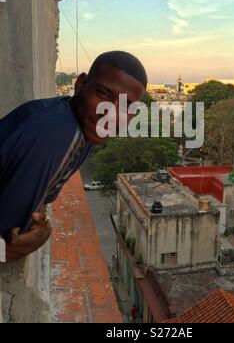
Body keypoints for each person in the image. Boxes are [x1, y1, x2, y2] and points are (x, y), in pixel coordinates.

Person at [0, 51, 147, 262]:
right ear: (80, 85)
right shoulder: (57, 134)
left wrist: (44, 227)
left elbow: (42, 203)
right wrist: (40, 237)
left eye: (126, 106)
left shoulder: (77, 124)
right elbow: (8, 245)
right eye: (103, 94)